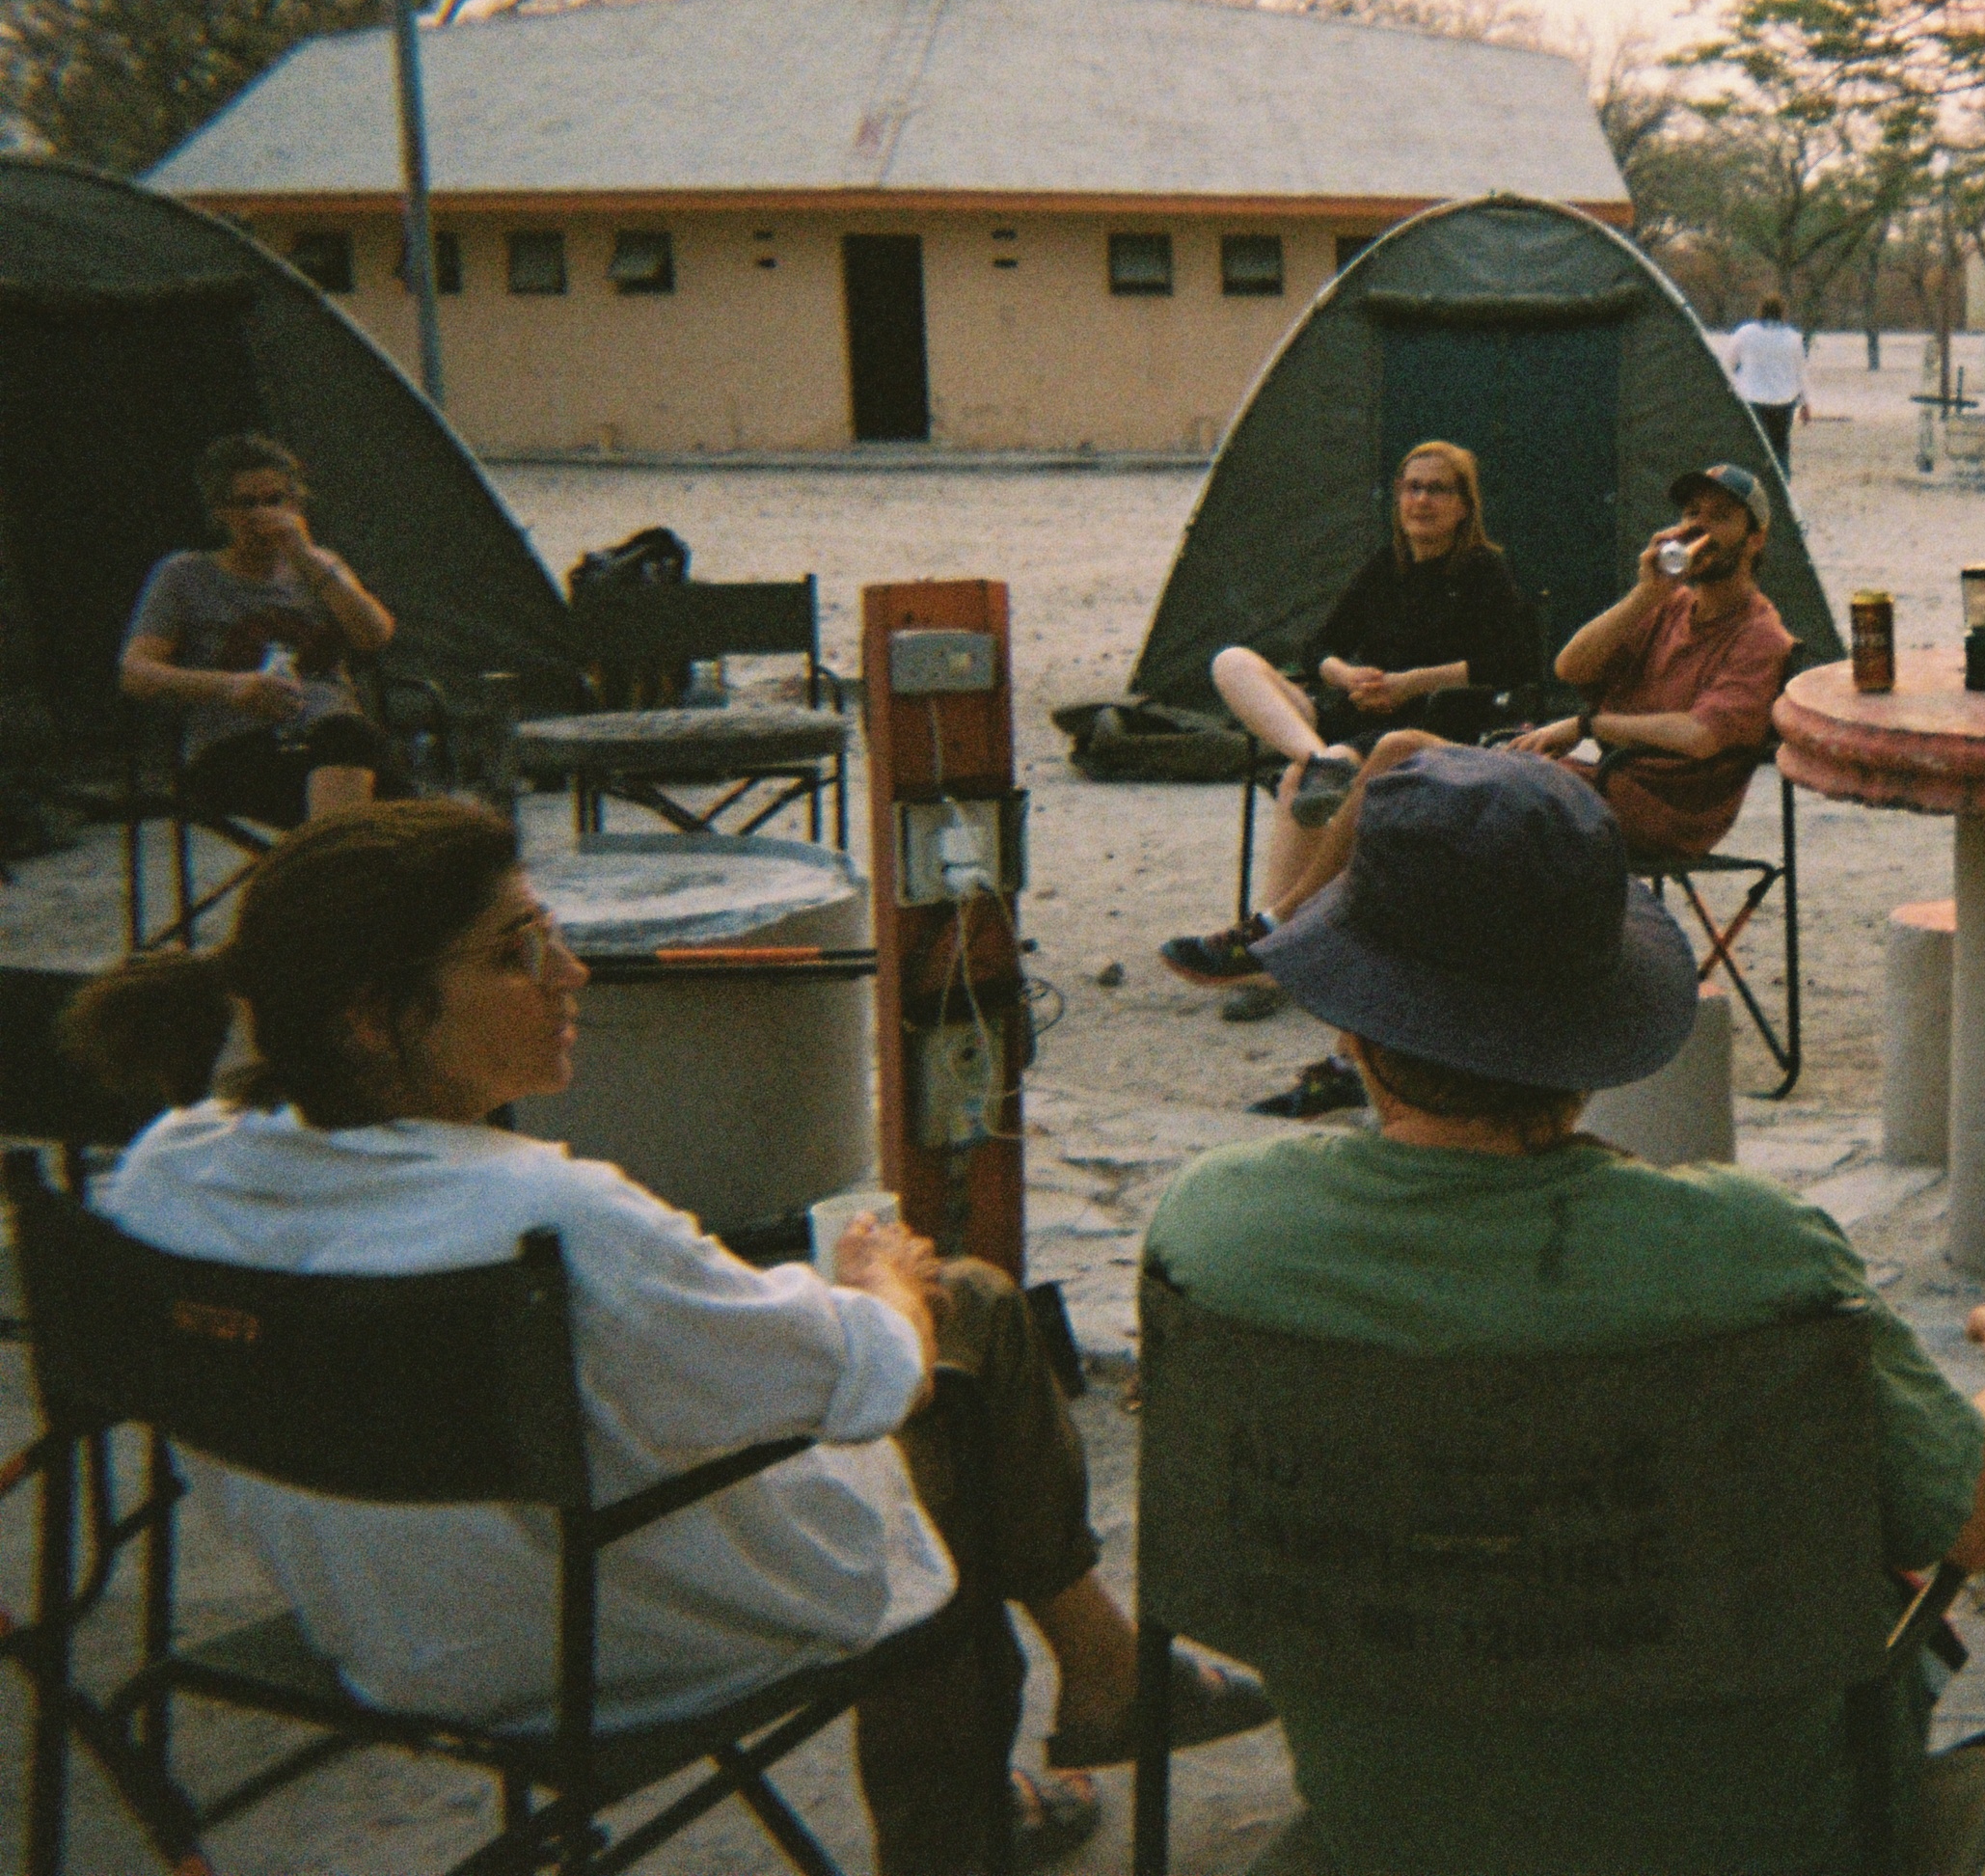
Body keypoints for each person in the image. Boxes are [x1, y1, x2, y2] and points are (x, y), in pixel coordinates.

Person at [66, 801, 1273, 1870]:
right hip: (613, 1649)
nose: (572, 972)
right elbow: (874, 1380)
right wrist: (880, 1285)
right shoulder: (554, 1222)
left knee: (872, 1354)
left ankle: (1098, 1678)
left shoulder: (164, 1176)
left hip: (391, 1632)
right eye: (517, 950)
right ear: (372, 1019)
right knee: (968, 1325)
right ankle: (987, 1798)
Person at [1146, 745, 1985, 1875]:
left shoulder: (1216, 1235)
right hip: (1751, 1842)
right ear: (1592, 1038)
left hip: (1391, 1828)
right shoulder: (1750, 1258)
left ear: (1352, 1022)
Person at [1164, 466, 1791, 1112]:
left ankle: (1292, 944)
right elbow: (1570, 667)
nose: (1700, 529)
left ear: (1755, 538)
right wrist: (1644, 594)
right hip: (1594, 784)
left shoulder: (1757, 635)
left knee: (1412, 777)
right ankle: (1325, 1003)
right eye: (1691, 514)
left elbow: (1699, 736)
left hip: (1654, 811)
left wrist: (1585, 724)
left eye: (1719, 516)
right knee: (1400, 765)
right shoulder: (1669, 609)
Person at [1183, 441, 1536, 1010]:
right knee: (1233, 662)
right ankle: (1318, 759)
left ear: (1464, 505)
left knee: (1299, 785)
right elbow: (1318, 644)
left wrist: (1407, 683)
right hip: (1347, 717)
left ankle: (1270, 952)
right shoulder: (1387, 565)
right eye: (1410, 487)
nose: (1420, 500)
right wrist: (1345, 675)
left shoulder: (1482, 570)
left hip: (1426, 725)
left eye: (1436, 489)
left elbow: (1513, 662)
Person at [120, 434, 410, 827]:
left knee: (357, 747)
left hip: (335, 735)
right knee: (375, 797)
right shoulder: (185, 575)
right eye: (247, 504)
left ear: (295, 505)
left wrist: (305, 557)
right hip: (238, 748)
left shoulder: (318, 566)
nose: (262, 516)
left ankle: (330, 865)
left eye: (275, 501)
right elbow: (136, 672)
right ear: (220, 512)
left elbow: (375, 636)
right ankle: (335, 865)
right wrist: (231, 686)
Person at [1722, 296, 1810, 467]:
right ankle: (1781, 483)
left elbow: (1727, 365)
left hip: (1751, 399)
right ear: (1782, 313)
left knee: (1753, 448)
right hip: (1783, 401)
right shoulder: (1793, 338)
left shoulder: (1745, 333)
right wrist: (1805, 403)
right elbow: (1800, 373)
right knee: (1780, 447)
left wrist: (1733, 388)